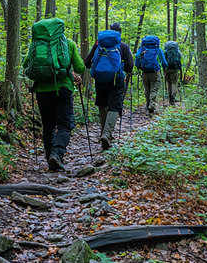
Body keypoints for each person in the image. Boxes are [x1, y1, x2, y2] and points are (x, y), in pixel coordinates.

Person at [23, 18, 86, 171]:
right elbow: (80, 67)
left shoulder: (36, 45)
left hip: (42, 90)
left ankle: (50, 159)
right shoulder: (68, 44)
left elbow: (25, 64)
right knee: (65, 124)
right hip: (63, 89)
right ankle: (56, 154)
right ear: (60, 29)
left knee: (48, 125)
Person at [84, 22, 134, 150]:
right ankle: (107, 134)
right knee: (114, 105)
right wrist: (126, 71)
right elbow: (130, 66)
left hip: (100, 79)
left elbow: (87, 62)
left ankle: (104, 132)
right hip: (116, 80)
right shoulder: (123, 46)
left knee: (102, 103)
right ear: (120, 32)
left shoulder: (99, 45)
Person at [135, 35, 167, 115]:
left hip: (145, 72)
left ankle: (147, 105)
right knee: (154, 89)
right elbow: (164, 62)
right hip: (155, 72)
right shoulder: (157, 49)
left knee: (147, 89)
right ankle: (152, 105)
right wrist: (164, 68)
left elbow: (137, 60)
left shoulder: (141, 49)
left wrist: (139, 67)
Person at [163, 40, 183, 105]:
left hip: (167, 68)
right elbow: (180, 59)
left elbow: (163, 59)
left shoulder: (166, 51)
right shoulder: (177, 51)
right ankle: (173, 97)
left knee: (168, 83)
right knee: (174, 82)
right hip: (174, 68)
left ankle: (169, 97)